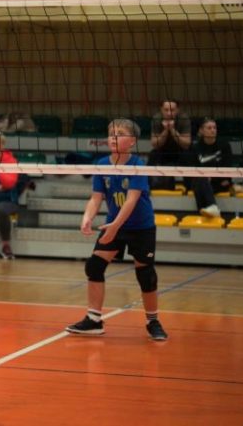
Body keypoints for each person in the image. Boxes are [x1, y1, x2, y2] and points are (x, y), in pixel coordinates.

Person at [65, 118, 167, 341]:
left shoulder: (138, 166)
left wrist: (114, 228)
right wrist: (87, 217)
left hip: (141, 227)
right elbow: (96, 198)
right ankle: (94, 319)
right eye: (111, 133)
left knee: (146, 275)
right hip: (114, 224)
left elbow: (131, 201)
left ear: (132, 141)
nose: (113, 136)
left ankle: (153, 321)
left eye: (120, 133)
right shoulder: (102, 164)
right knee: (94, 266)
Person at [148, 99, 193, 191]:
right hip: (163, 151)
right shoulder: (157, 119)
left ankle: (190, 188)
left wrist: (172, 130)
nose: (169, 113)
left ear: (177, 110)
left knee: (188, 156)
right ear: (161, 109)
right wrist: (165, 130)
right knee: (153, 155)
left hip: (180, 151)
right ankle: (148, 187)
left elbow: (186, 144)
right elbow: (155, 144)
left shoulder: (184, 119)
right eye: (166, 110)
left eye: (172, 110)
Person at [191, 117, 231, 219]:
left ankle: (204, 212)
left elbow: (227, 168)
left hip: (219, 182)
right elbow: (194, 170)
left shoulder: (224, 145)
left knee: (200, 183)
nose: (213, 130)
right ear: (201, 130)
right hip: (202, 181)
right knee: (200, 180)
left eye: (214, 127)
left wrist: (212, 177)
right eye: (209, 128)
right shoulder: (195, 147)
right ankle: (212, 207)